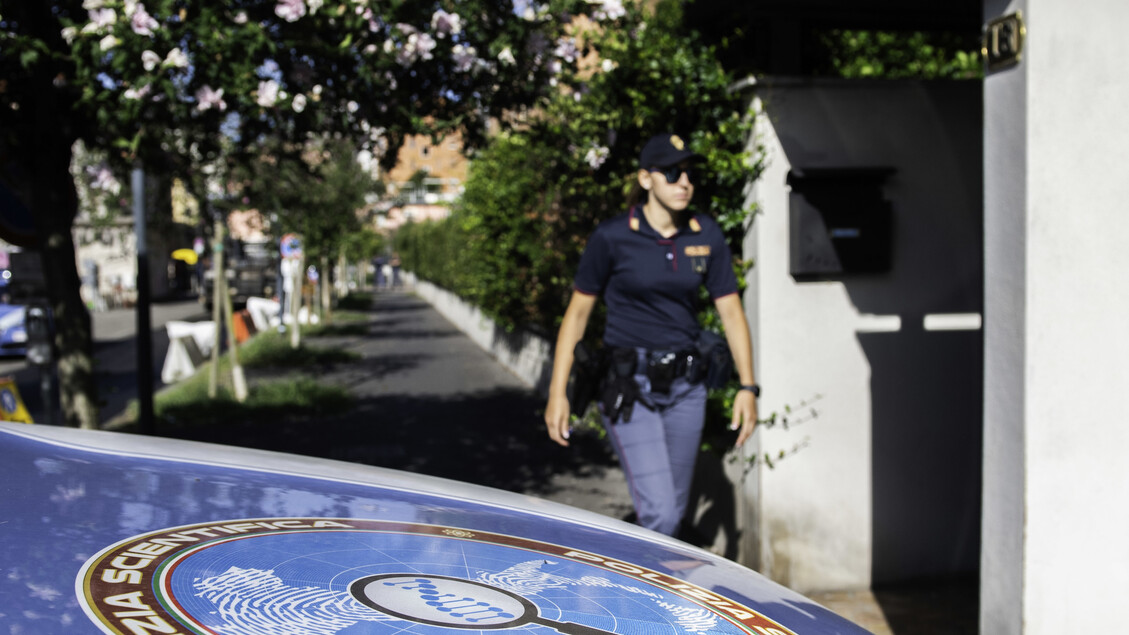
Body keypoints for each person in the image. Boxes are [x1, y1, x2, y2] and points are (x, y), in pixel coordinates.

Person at [543, 133, 760, 537]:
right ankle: (644, 591)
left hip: (686, 388)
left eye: (689, 173)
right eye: (672, 172)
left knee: (671, 515)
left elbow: (730, 312)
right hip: (629, 387)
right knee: (660, 513)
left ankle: (650, 593)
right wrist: (558, 393)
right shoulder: (612, 237)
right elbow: (576, 317)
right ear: (645, 179)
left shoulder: (705, 235)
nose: (684, 182)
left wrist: (748, 386)